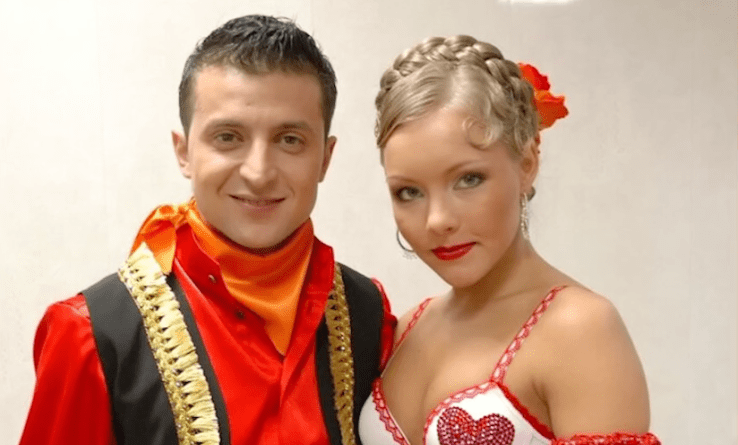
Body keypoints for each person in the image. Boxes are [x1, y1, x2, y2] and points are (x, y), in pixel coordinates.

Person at [20, 15, 395, 445]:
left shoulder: (367, 313)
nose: (258, 172)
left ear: (325, 159)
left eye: (289, 139)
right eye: (228, 137)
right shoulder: (92, 335)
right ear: (184, 152)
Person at [358, 35, 660, 445]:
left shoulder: (579, 329)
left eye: (468, 179)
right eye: (409, 192)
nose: (438, 220)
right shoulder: (406, 328)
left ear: (527, 163)